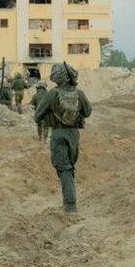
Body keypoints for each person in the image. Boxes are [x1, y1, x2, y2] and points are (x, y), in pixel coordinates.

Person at [35, 62, 92, 213]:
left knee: (64, 168)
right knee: (69, 166)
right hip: (74, 135)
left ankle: (70, 205)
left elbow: (37, 115)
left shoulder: (52, 94)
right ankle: (68, 200)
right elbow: (88, 112)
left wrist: (50, 113)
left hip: (59, 134)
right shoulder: (79, 93)